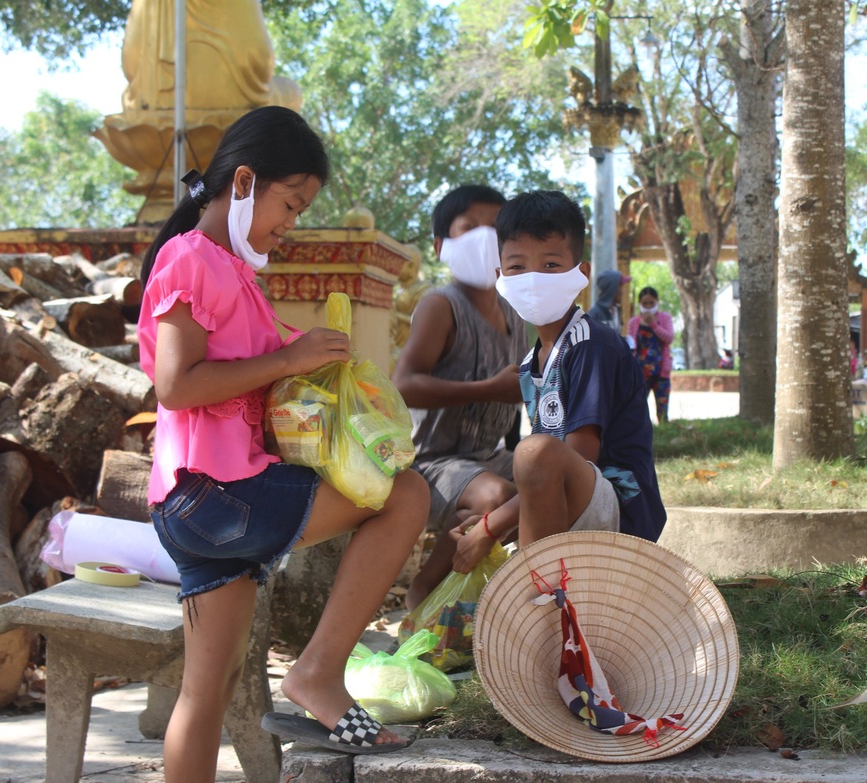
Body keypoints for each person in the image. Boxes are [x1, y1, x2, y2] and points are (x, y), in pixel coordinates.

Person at [137, 106, 428, 779]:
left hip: (198, 504)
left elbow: (248, 383)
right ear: (244, 181)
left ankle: (316, 675)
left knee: (204, 694)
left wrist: (309, 366)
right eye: (290, 205)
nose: (290, 224)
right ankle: (319, 673)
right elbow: (178, 385)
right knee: (406, 494)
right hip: (215, 494)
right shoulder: (190, 261)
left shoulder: (233, 270)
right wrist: (288, 361)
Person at [448, 190, 666, 570]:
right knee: (516, 475)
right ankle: (537, 590)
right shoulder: (535, 360)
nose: (532, 279)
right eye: (517, 267)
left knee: (533, 453)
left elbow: (575, 455)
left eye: (550, 264)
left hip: (623, 509)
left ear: (580, 274)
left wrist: (492, 526)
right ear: (500, 277)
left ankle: (540, 594)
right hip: (584, 496)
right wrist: (497, 520)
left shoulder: (590, 345)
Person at [391, 185, 528, 610]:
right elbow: (404, 384)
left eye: (496, 228)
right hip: (428, 462)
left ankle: (509, 595)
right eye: (471, 228)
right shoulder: (440, 305)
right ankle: (426, 589)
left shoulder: (516, 313)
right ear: (441, 245)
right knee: (495, 498)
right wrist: (488, 389)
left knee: (563, 480)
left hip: (486, 455)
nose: (487, 238)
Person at [626, 286, 674, 424]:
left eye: (651, 303)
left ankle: (664, 431)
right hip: (640, 371)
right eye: (645, 303)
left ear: (657, 302)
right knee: (638, 408)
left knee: (662, 408)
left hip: (661, 371)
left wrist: (653, 324)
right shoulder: (634, 322)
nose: (648, 306)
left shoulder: (665, 318)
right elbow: (631, 345)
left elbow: (669, 338)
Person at [587, 267, 631, 333]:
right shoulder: (594, 314)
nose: (623, 291)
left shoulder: (617, 310)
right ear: (611, 289)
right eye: (620, 286)